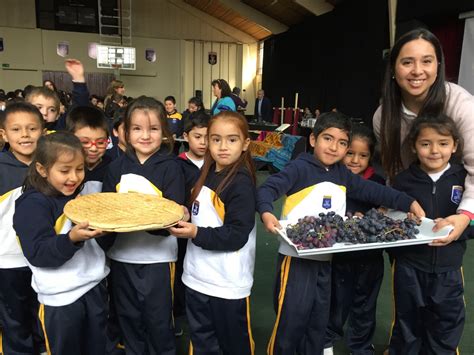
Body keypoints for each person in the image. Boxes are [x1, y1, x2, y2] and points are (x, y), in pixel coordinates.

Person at [256, 111, 425, 355]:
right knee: (291, 323)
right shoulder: (298, 168)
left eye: (342, 142)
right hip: (296, 263)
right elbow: (268, 189)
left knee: (317, 324)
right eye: (328, 138)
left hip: (326, 263)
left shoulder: (342, 174)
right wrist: (266, 212)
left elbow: (374, 192)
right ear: (313, 140)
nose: (334, 147)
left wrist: (408, 202)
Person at [373, 27, 474, 243]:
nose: (417, 71)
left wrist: (465, 215)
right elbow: (395, 172)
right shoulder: (383, 116)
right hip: (408, 218)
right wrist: (396, 204)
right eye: (407, 62)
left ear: (438, 66)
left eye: (427, 61)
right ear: (393, 68)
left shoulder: (461, 105)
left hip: (450, 212)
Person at [13, 132, 110, 355]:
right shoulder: (32, 204)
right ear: (42, 169)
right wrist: (71, 239)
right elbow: (38, 253)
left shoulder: (83, 195)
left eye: (79, 168)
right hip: (60, 301)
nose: (74, 177)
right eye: (64, 171)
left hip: (95, 289)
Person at [102, 96, 185, 354]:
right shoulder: (115, 168)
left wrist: (142, 218)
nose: (145, 136)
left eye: (154, 129)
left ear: (165, 132)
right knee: (129, 318)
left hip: (158, 259)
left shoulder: (171, 167)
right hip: (122, 257)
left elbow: (171, 214)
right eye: (137, 128)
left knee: (159, 321)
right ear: (124, 131)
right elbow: (106, 212)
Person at [170, 111, 256, 355]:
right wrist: (186, 214)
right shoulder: (205, 174)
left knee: (233, 345)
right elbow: (199, 211)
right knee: (202, 342)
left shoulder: (240, 183)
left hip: (227, 284)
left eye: (232, 140)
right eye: (216, 139)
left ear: (245, 144)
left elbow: (236, 235)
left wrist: (195, 232)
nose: (223, 147)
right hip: (197, 278)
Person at [388, 114, 471, 354]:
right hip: (408, 267)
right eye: (425, 144)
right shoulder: (402, 181)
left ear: (455, 145)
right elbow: (389, 221)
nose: (434, 150)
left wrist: (460, 228)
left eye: (443, 143)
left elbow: (471, 222)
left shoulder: (464, 180)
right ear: (414, 146)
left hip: (449, 268)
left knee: (446, 323)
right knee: (407, 322)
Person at [324, 124, 386, 355]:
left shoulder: (377, 183)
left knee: (366, 305)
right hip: (339, 258)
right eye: (350, 153)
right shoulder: (331, 180)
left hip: (370, 258)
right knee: (336, 302)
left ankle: (360, 346)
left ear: (371, 157)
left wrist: (374, 214)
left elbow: (385, 210)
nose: (355, 160)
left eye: (363, 155)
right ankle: (326, 341)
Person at [0, 103, 46, 354]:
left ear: (43, 130)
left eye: (32, 128)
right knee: (14, 319)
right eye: (16, 129)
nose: (25, 135)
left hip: (42, 258)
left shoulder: (49, 167)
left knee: (40, 313)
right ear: (4, 134)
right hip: (7, 261)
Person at [66, 106, 112, 195]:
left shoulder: (113, 168)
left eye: (101, 142)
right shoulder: (64, 167)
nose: (93, 149)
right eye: (85, 142)